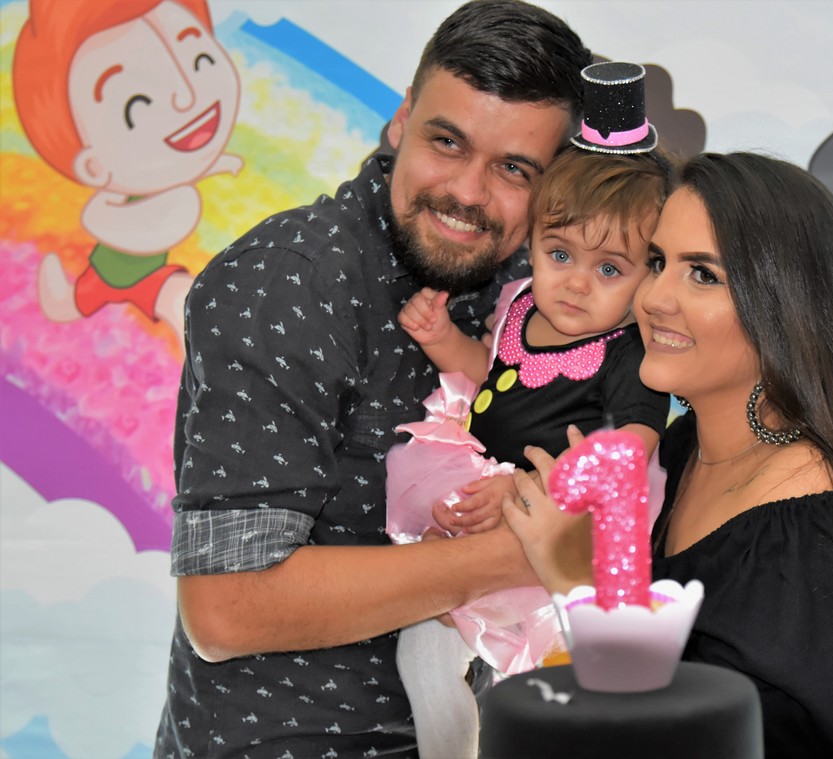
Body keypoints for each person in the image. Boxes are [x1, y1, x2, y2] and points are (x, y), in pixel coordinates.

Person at [154, 1, 592, 756]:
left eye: (514, 169)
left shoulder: (546, 282)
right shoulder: (285, 285)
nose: (467, 192)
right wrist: (527, 554)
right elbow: (226, 608)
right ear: (401, 119)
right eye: (447, 141)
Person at [506, 152, 833, 758]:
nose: (654, 297)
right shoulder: (682, 449)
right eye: (656, 262)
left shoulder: (808, 530)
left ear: (784, 309)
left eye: (702, 274)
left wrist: (582, 582)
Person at [392, 61, 673, 758]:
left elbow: (630, 452)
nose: (575, 283)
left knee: (534, 685)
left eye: (609, 269)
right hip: (479, 503)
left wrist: (529, 489)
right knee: (422, 659)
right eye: (559, 254)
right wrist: (441, 338)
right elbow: (486, 373)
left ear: (649, 276)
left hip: (556, 534)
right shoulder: (521, 305)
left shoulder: (627, 352)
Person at [13, 0, 242, 349]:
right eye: (137, 103)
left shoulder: (163, 179)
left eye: (201, 60)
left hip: (149, 272)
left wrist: (217, 164)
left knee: (175, 295)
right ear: (92, 165)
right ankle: (64, 301)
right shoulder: (117, 200)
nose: (187, 97)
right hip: (115, 270)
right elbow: (98, 217)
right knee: (90, 295)